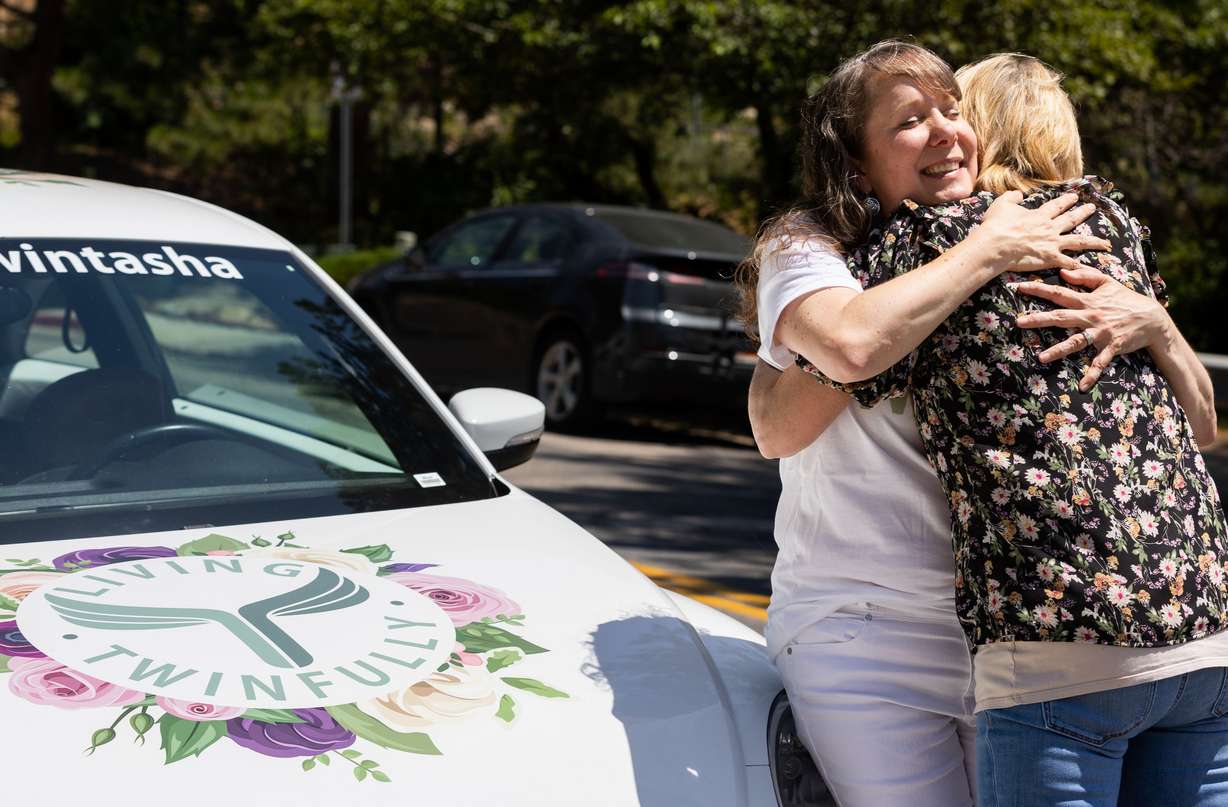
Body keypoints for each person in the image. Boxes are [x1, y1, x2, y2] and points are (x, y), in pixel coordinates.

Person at [740, 42, 1220, 807]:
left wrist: (1156, 322)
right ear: (856, 164)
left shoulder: (1040, 236)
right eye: (909, 120)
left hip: (999, 628)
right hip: (868, 631)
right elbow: (794, 403)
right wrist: (983, 249)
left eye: (952, 112)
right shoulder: (821, 246)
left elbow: (1196, 424)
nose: (944, 132)